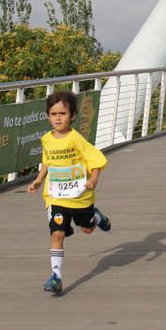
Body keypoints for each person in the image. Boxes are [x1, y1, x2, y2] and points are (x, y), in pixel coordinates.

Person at [27, 90, 111, 294]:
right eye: (53, 114)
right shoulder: (46, 139)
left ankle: (95, 217)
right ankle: (56, 276)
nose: (57, 118)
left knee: (87, 229)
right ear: (48, 116)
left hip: (80, 197)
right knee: (57, 233)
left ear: (72, 115)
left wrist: (93, 179)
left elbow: (95, 160)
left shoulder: (76, 139)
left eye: (62, 114)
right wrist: (39, 180)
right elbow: (47, 161)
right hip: (56, 196)